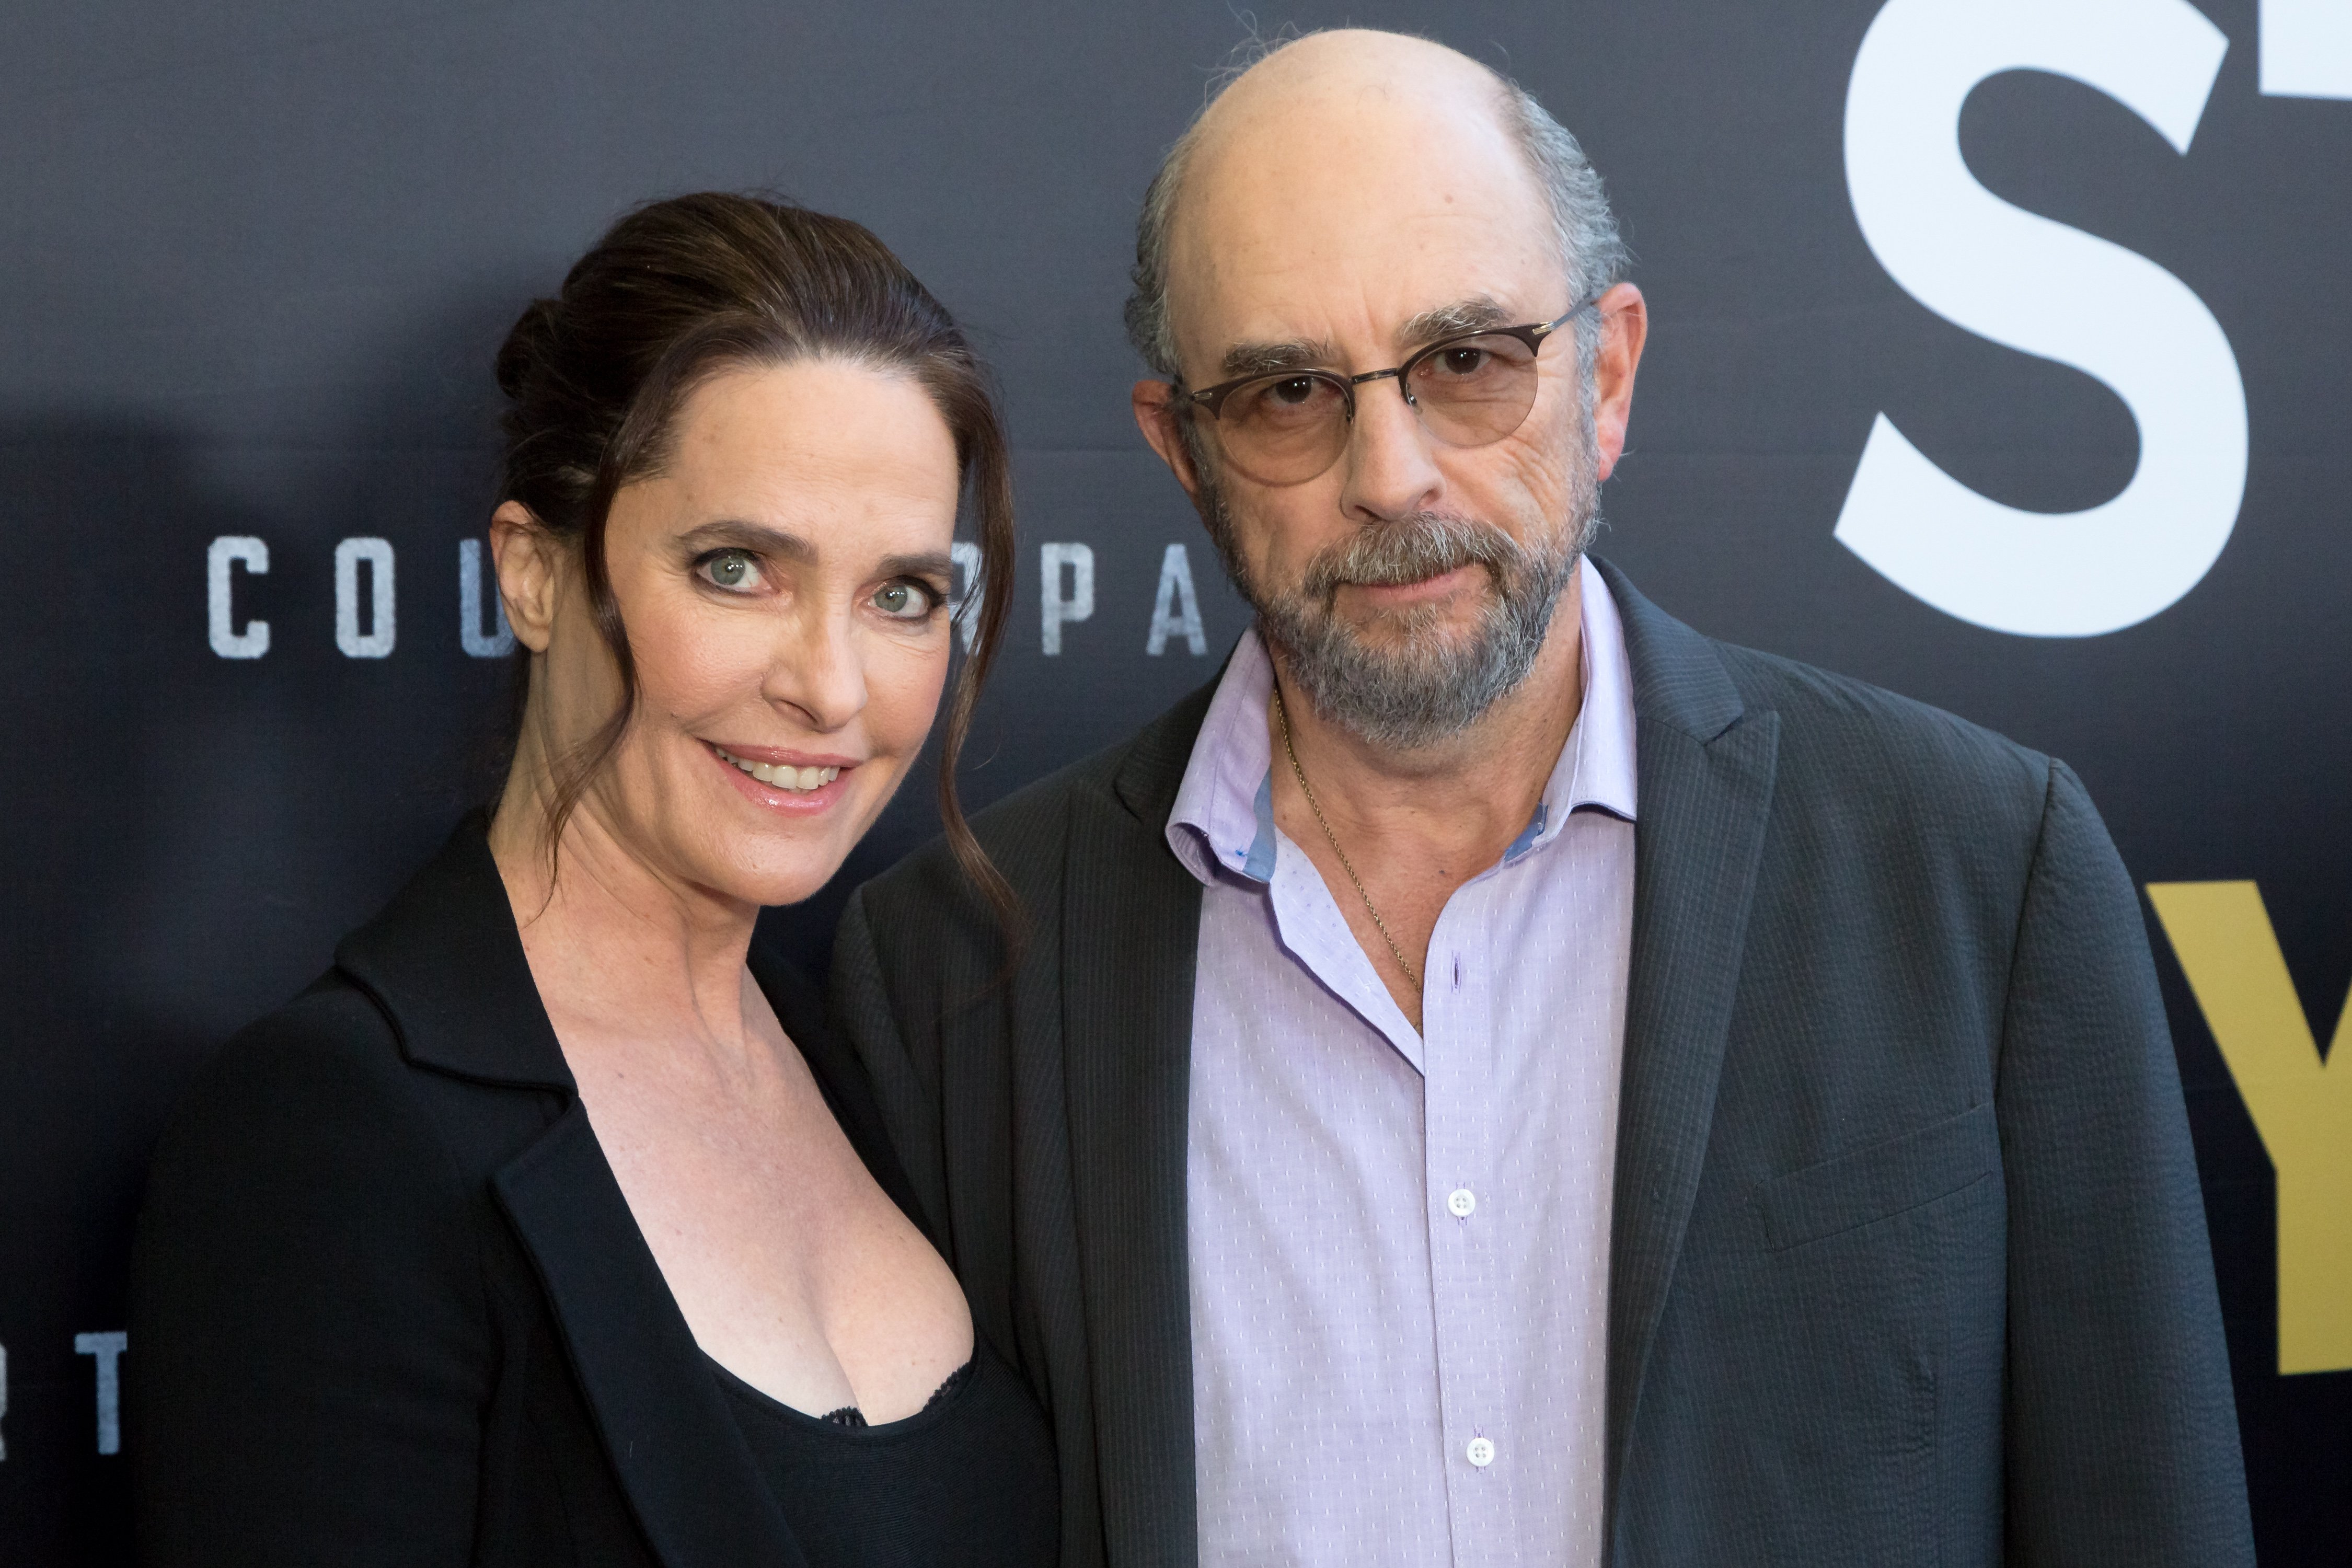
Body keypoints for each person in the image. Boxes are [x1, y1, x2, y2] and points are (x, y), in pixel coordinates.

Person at [830, 29, 2254, 1568]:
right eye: (1289, 390)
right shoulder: (959, 966)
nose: (1392, 474)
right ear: (1185, 448)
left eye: (1466, 362)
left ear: (1610, 372)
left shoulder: (1979, 872)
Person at [128, 193, 1056, 1567]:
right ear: (537, 574)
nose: (829, 686)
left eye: (902, 595)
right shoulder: (336, 1131)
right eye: (736, 570)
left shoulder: (867, 1056)